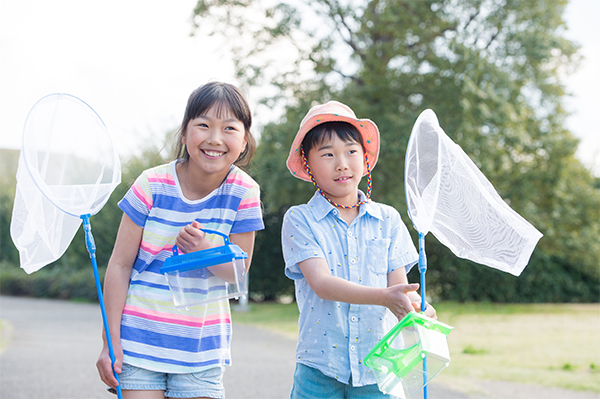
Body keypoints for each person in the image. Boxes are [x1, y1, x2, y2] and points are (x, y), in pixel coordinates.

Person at [96, 82, 264, 399]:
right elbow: (119, 265)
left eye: (229, 128)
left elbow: (239, 270)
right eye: (203, 125)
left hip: (201, 350)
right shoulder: (152, 184)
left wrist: (208, 250)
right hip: (139, 344)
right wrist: (110, 340)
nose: (215, 138)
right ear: (184, 134)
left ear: (244, 141)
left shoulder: (244, 192)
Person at [281, 101, 436, 399]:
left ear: (364, 159)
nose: (342, 163)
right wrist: (384, 298)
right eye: (327, 155)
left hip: (379, 365)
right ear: (308, 163)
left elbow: (398, 288)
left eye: (351, 151)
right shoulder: (300, 219)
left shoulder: (388, 219)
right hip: (320, 366)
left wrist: (418, 307)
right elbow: (322, 284)